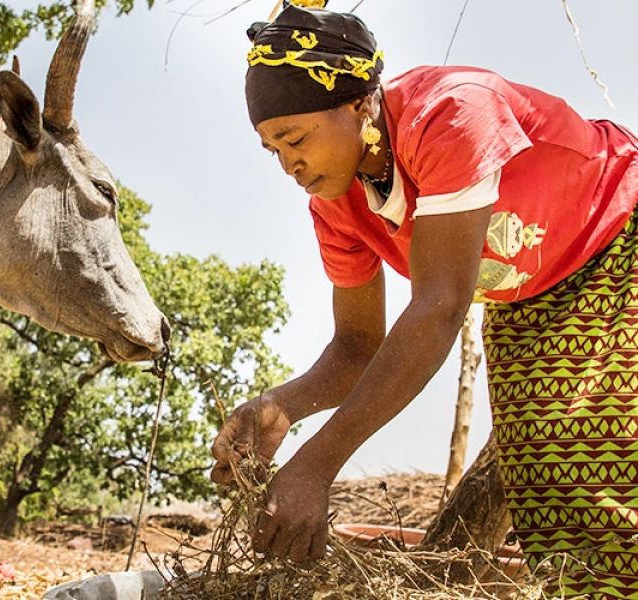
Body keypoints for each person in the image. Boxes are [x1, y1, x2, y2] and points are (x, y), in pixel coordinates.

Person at [210, 3, 638, 597]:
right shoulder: (337, 207)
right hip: (527, 297)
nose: (289, 165)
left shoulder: (450, 112)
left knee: (596, 478)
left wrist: (318, 463)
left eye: (295, 137)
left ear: (359, 105)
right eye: (272, 149)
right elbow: (357, 348)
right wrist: (279, 407)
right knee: (548, 491)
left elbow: (438, 305)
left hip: (618, 239)